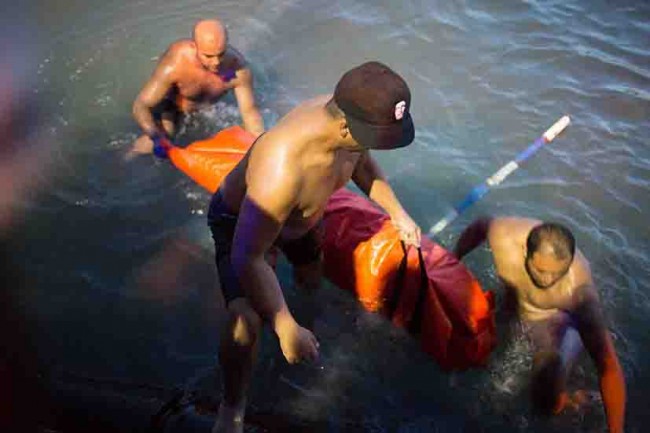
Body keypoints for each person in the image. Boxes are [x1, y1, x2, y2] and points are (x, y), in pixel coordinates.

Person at [208, 61, 421, 433]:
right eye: (376, 136)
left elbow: (364, 167)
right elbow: (249, 255)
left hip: (302, 217)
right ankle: (232, 409)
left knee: (311, 276)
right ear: (344, 126)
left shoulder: (349, 119)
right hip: (244, 226)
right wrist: (284, 324)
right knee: (246, 321)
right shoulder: (284, 165)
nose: (378, 145)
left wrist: (398, 214)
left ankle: (305, 319)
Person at [454, 216, 626, 432]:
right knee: (473, 354)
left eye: (558, 273)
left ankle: (571, 398)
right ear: (525, 251)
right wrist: (454, 259)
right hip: (514, 310)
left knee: (544, 401)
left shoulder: (578, 294)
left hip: (554, 321)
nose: (549, 280)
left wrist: (616, 430)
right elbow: (480, 226)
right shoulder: (504, 235)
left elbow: (609, 366)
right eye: (541, 271)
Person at [129, 19, 264, 157]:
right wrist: (156, 138)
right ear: (194, 47)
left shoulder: (237, 69)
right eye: (208, 56)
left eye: (221, 54)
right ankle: (126, 157)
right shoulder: (175, 65)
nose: (216, 62)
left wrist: (259, 148)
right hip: (172, 106)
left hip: (204, 107)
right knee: (165, 135)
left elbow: (250, 112)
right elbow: (140, 106)